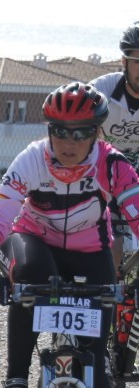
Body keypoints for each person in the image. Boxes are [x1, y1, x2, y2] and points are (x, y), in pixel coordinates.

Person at [0, 82, 139, 388]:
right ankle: (16, 377)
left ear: (97, 132)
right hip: (35, 242)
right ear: (48, 129)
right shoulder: (32, 159)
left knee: (96, 362)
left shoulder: (113, 165)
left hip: (89, 250)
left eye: (80, 133)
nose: (68, 141)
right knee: (29, 279)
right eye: (59, 130)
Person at [91, 21, 139, 269]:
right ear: (124, 63)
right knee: (114, 242)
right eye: (138, 62)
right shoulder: (101, 90)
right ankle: (113, 296)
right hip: (106, 173)